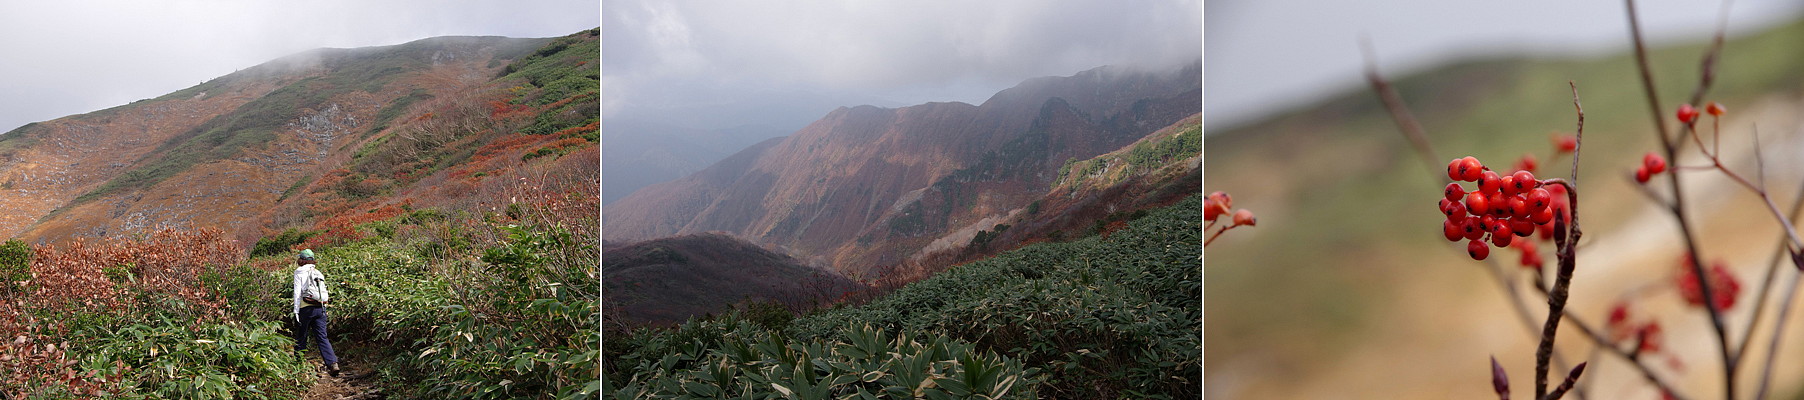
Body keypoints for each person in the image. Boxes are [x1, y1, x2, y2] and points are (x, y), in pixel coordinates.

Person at [292, 249, 340, 377]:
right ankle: (332, 363)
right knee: (322, 337)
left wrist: (296, 311)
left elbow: (297, 293)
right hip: (320, 308)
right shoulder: (318, 272)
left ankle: (298, 364)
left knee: (302, 336)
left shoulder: (299, 271)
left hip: (306, 309)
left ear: (301, 260)